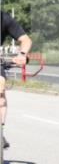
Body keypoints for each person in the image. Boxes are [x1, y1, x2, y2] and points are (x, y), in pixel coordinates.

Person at [1, 11, 33, 149]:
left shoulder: (4, 18)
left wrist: (22, 54)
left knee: (1, 86)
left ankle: (0, 130)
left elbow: (26, 40)